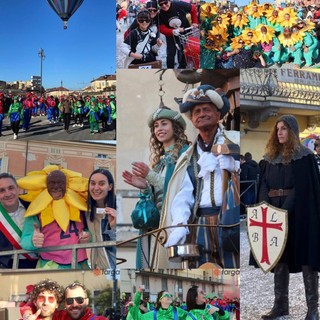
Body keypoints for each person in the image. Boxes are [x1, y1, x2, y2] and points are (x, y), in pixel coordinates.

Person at [155, 84, 240, 269]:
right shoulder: (188, 156)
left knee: (234, 267)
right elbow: (184, 194)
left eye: (207, 109)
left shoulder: (236, 141)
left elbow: (253, 175)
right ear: (193, 120)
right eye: (197, 112)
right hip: (199, 223)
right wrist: (179, 223)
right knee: (201, 269)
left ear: (218, 114)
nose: (201, 114)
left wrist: (236, 166)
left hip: (230, 220)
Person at [252, 115, 320, 319]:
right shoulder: (269, 158)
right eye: (278, 128)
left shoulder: (304, 156)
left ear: (292, 132)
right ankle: (281, 306)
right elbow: (263, 184)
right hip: (273, 211)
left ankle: (313, 309)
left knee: (307, 259)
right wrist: (266, 206)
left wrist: (284, 210)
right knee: (278, 257)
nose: (280, 132)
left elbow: (303, 188)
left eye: (284, 128)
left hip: (300, 214)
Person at [122, 107, 190, 269]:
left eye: (164, 124)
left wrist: (150, 176)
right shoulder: (160, 163)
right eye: (156, 126)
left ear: (175, 127)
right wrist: (144, 187)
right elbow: (158, 193)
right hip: (156, 227)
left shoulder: (186, 155)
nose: (159, 129)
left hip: (173, 224)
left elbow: (179, 189)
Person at [19, 167, 90, 269]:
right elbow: (25, 240)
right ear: (46, 185)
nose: (56, 186)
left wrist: (88, 237)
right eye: (52, 183)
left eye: (60, 183)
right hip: (50, 266)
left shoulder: (79, 206)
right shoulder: (36, 209)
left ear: (67, 184)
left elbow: (89, 231)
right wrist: (32, 240)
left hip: (79, 265)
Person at [0, 173, 38, 269]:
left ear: (18, 189)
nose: (8, 194)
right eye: (2, 190)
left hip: (37, 263)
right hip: (5, 266)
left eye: (11, 188)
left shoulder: (33, 206)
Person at [22, 281, 107, 320]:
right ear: (65, 303)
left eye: (79, 300)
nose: (74, 304)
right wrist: (27, 314)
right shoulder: (61, 317)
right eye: (70, 301)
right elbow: (29, 306)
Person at [86, 168, 117, 269]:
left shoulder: (118, 210)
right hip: (95, 268)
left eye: (101, 184)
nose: (96, 188)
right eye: (93, 183)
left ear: (110, 187)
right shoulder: (86, 211)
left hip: (114, 267)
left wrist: (113, 228)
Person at [158, 0, 199, 68]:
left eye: (165, 3)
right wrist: (173, 31)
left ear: (169, 1)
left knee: (185, 51)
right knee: (171, 53)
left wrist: (195, 21)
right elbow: (161, 28)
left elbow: (193, 8)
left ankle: (182, 67)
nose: (164, 6)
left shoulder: (179, 4)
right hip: (171, 35)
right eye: (161, 4)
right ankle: (169, 69)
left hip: (185, 32)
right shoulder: (160, 13)